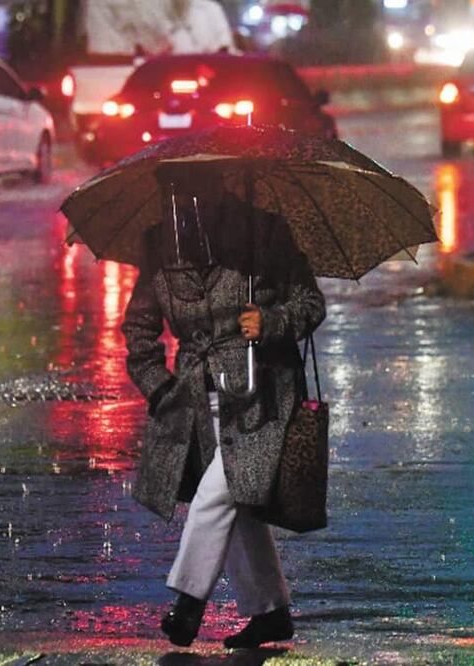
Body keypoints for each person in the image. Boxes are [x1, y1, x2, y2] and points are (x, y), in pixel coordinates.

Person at [120, 166, 325, 648]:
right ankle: (271, 611)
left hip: (263, 394)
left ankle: (188, 603)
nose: (183, 201)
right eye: (172, 191)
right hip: (197, 398)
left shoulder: (265, 232)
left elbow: (310, 303)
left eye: (194, 188)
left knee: (218, 493)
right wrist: (159, 388)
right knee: (239, 503)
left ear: (218, 186)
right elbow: (139, 328)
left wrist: (271, 322)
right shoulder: (160, 244)